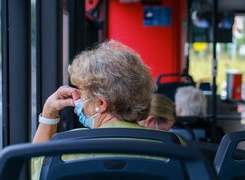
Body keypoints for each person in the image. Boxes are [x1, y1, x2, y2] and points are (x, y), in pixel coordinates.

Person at [32, 40, 154, 179]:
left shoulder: (68, 146)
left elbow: (35, 172)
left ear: (101, 103)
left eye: (81, 93)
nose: (77, 102)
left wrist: (49, 113)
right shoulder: (172, 146)